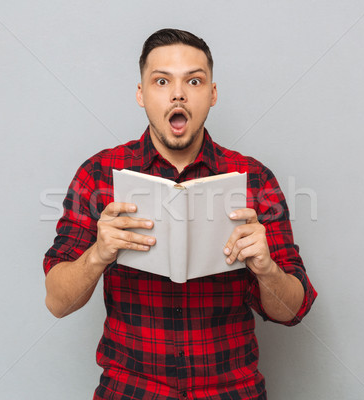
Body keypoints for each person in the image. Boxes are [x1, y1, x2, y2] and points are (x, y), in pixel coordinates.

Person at [43, 28, 317, 400]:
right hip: (130, 391)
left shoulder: (253, 179)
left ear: (212, 94)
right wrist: (98, 255)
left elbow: (292, 311)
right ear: (141, 94)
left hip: (232, 391)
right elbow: (58, 302)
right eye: (161, 81)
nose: (178, 93)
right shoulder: (99, 174)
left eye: (194, 80)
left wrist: (266, 267)